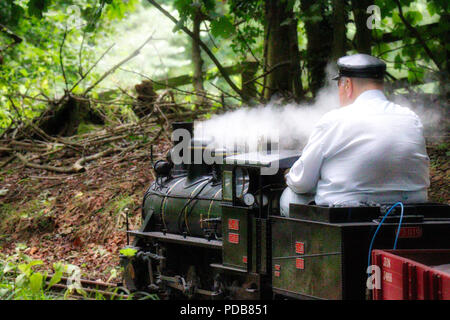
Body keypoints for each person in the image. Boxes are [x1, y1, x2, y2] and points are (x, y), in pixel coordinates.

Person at [280, 53, 430, 216]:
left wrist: (291, 176)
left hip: (347, 215)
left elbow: (301, 182)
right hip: (412, 210)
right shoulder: (411, 118)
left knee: (291, 196)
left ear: (347, 85)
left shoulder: (333, 120)